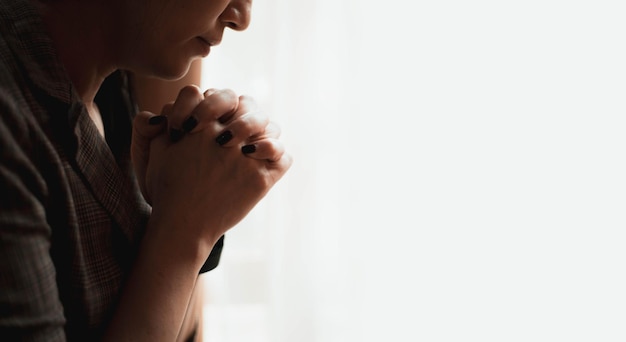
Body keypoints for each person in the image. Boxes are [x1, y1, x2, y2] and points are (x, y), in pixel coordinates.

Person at [0, 0, 292, 341]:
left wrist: (185, 207)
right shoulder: (12, 125)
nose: (241, 18)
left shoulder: (114, 82)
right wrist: (185, 231)